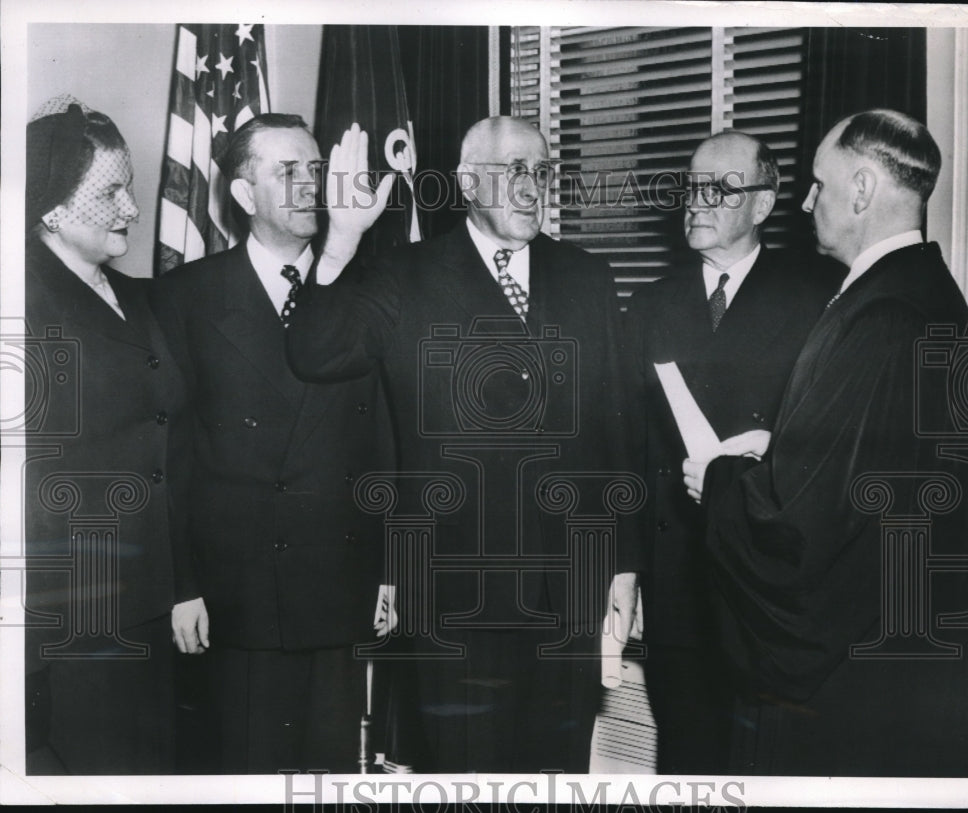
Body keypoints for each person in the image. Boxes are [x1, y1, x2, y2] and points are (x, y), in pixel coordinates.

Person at [287, 116, 641, 773]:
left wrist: (623, 562)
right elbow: (316, 351)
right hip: (454, 589)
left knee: (557, 771)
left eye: (542, 171)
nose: (533, 187)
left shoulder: (587, 276)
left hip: (569, 586)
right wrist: (341, 238)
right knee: (464, 774)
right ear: (467, 180)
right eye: (514, 170)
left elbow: (615, 426)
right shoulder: (406, 273)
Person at [695, 109, 968, 775]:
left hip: (846, 681)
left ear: (862, 189)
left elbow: (800, 530)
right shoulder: (928, 294)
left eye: (819, 184)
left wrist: (718, 477)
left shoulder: (878, 317)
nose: (806, 199)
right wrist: (786, 439)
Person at [151, 114, 396, 773]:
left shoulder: (367, 291)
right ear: (242, 193)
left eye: (316, 170)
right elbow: (169, 457)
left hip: (337, 584)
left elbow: (385, 439)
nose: (310, 184)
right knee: (244, 771)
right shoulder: (183, 299)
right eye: (289, 172)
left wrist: (388, 566)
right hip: (236, 593)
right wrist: (182, 584)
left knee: (328, 773)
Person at [626, 131, 838, 773]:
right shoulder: (649, 304)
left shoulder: (818, 300)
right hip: (676, 582)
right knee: (686, 759)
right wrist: (625, 571)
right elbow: (631, 450)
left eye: (719, 189)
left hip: (764, 583)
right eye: (690, 186)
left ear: (764, 204)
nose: (696, 201)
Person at [22, 95, 192, 774]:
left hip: (151, 598)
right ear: (52, 209)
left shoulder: (141, 298)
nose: (131, 208)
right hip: (77, 615)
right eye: (110, 192)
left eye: (130, 186)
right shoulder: (25, 308)